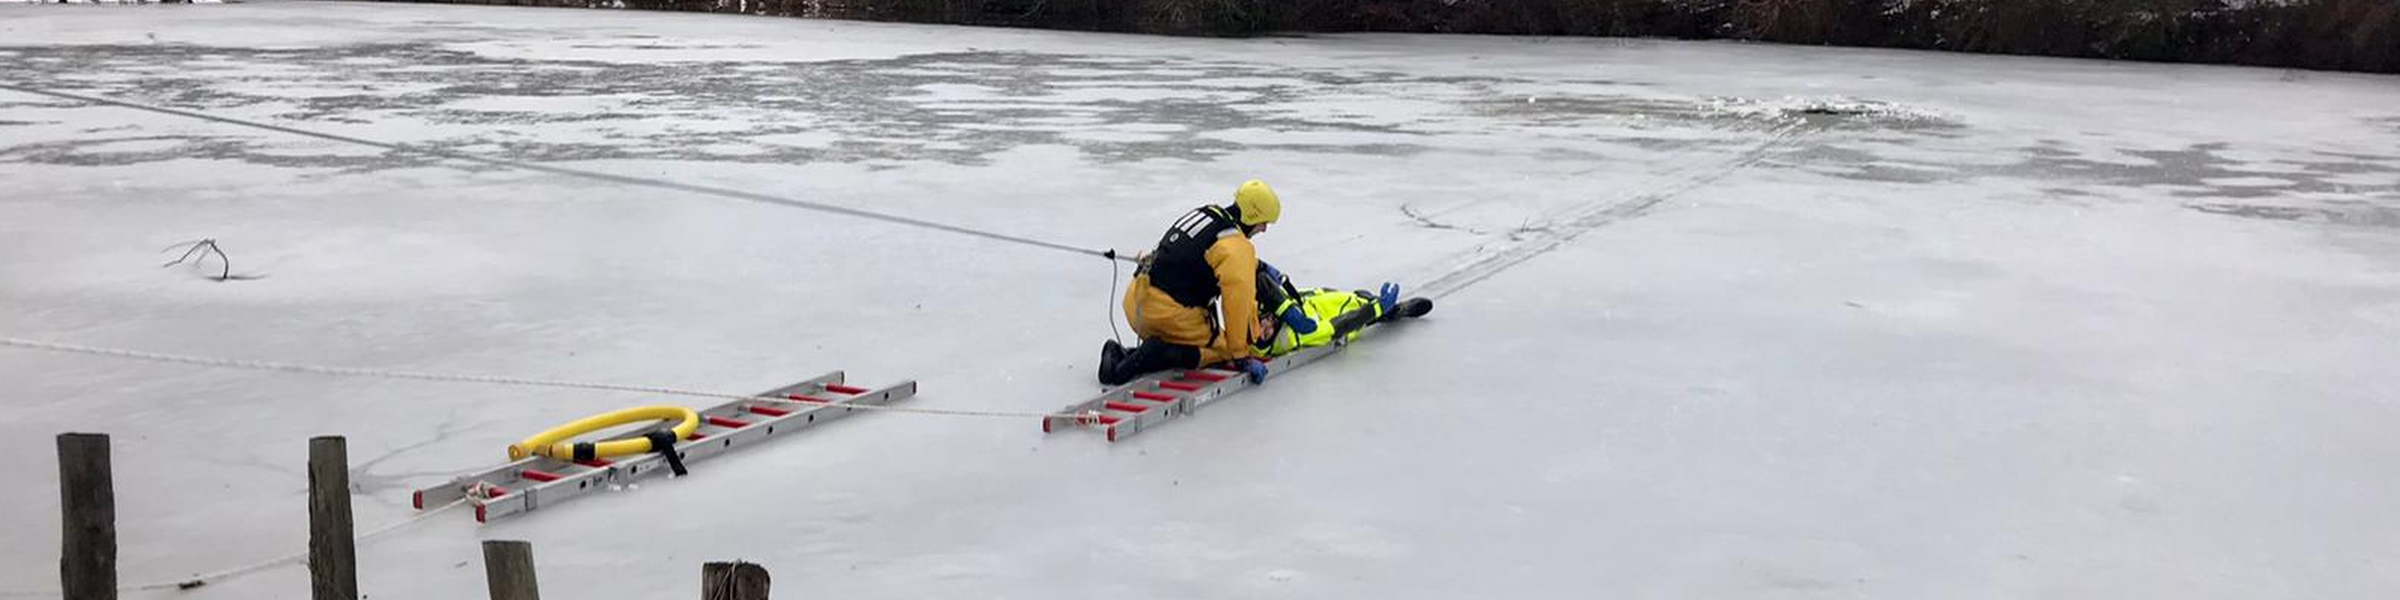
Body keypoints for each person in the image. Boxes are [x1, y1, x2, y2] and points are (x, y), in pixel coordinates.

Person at [1099, 179, 1281, 386]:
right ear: (1253, 215)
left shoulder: (1207, 213)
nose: (1264, 229)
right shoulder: (1238, 248)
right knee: (1222, 349)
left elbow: (1198, 252)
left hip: (1137, 302)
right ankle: (1154, 355)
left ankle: (1121, 354)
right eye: (1264, 222)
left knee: (1209, 337)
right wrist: (1240, 356)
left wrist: (1256, 266)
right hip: (1167, 315)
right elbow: (1237, 305)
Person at [1249, 262, 1429, 359]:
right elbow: (1341, 324)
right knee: (1366, 304)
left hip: (1319, 298)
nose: (1267, 324)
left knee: (1359, 296)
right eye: (1266, 333)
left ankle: (1377, 305)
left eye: (1261, 323)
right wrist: (1377, 308)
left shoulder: (1264, 312)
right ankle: (1394, 311)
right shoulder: (1295, 335)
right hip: (1343, 311)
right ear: (1270, 341)